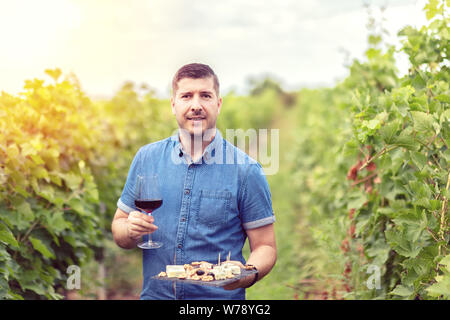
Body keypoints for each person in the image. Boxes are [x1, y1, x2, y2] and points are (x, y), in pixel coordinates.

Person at [111, 63, 276, 300]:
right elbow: (119, 226)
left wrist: (247, 275)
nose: (196, 105)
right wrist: (129, 230)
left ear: (218, 104)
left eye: (205, 96)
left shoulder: (246, 171)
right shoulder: (146, 158)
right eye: (186, 96)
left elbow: (265, 246)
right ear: (173, 104)